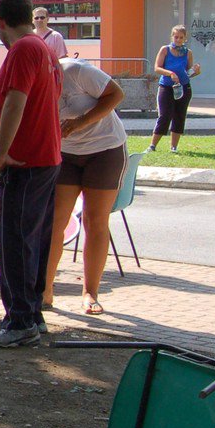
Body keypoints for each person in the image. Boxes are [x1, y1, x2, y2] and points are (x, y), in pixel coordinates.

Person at [0, 0, 62, 348]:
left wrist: (1, 153)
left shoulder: (22, 49)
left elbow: (16, 100)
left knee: (14, 240)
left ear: (0, 22)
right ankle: (29, 312)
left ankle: (20, 322)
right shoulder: (44, 48)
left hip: (24, 160)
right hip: (43, 158)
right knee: (31, 240)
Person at [43, 59, 127, 316]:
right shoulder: (34, 84)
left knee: (95, 220)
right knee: (56, 221)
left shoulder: (75, 71)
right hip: (66, 153)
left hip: (105, 149)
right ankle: (45, 292)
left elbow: (116, 94)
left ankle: (90, 292)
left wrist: (81, 122)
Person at [148, 25, 201, 153]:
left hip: (183, 87)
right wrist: (170, 73)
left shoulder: (188, 53)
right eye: (176, 37)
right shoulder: (165, 50)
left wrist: (196, 71)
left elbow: (188, 72)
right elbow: (157, 68)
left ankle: (174, 147)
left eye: (181, 37)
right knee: (165, 116)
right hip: (167, 86)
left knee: (179, 116)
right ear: (172, 37)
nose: (178, 40)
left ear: (185, 38)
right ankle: (152, 145)